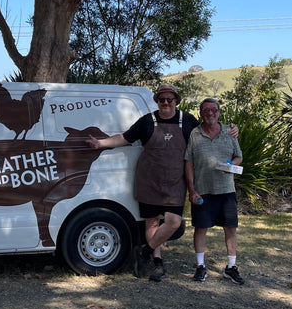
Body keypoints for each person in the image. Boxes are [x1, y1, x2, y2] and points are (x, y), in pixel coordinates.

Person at [87, 85, 238, 282]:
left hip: (175, 182)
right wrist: (101, 143)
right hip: (148, 180)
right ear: (157, 101)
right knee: (152, 222)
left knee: (173, 222)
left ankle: (144, 252)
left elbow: (208, 128)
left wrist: (231, 128)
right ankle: (157, 263)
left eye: (170, 99)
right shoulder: (148, 121)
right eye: (162, 100)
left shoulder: (188, 121)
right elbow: (125, 138)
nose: (166, 103)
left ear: (176, 101)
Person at [184, 97, 245, 285]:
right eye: (206, 110)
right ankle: (201, 266)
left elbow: (239, 157)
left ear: (219, 112)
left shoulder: (229, 131)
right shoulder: (195, 133)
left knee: (230, 228)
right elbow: (189, 162)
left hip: (226, 190)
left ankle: (231, 267)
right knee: (201, 228)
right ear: (200, 113)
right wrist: (191, 189)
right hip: (203, 190)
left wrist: (231, 164)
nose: (210, 113)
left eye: (214, 110)